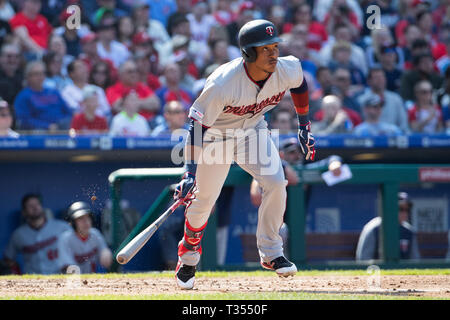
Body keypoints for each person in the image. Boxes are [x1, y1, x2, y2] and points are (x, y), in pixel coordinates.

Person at [172, 19, 316, 290]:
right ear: (249, 53)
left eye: (275, 47)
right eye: (266, 49)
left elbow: (300, 85)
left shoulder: (286, 68)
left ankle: (272, 253)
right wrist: (189, 172)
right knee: (203, 200)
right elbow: (197, 125)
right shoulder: (222, 82)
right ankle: (189, 257)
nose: (274, 54)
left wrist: (304, 126)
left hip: (253, 131)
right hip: (215, 136)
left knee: (276, 182)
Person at [2, 193, 71, 274]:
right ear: (24, 212)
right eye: (30, 206)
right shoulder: (18, 234)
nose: (35, 207)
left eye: (37, 204)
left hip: (58, 277)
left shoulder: (62, 227)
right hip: (32, 280)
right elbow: (8, 259)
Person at [356, 192, 421, 261]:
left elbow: (415, 260)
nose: (405, 213)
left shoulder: (409, 231)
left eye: (407, 210)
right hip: (378, 270)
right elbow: (363, 259)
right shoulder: (374, 228)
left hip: (402, 271)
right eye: (401, 209)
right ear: (391, 208)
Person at [14, 60, 73, 133]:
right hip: (39, 132)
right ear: (28, 77)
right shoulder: (23, 96)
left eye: (42, 73)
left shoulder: (54, 92)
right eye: (36, 74)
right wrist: (47, 126)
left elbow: (68, 112)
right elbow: (24, 120)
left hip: (61, 128)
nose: (40, 77)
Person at [57, 201, 112, 274]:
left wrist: (106, 253)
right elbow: (69, 268)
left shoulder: (95, 234)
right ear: (73, 222)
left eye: (88, 217)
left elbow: (105, 257)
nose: (85, 221)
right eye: (80, 218)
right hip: (70, 281)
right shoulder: (65, 238)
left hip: (90, 279)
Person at [357, 68, 409, 134]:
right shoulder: (361, 100)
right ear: (369, 81)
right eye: (376, 77)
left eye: (382, 77)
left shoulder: (396, 99)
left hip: (393, 137)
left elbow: (403, 125)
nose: (380, 80)